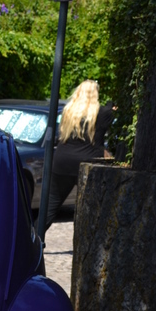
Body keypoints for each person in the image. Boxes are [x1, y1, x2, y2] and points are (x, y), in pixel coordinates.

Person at [45, 79, 114, 230]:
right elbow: (111, 109)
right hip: (87, 164)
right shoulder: (103, 113)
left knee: (50, 206)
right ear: (95, 94)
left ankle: (32, 239)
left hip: (62, 162)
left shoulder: (68, 111)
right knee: (91, 207)